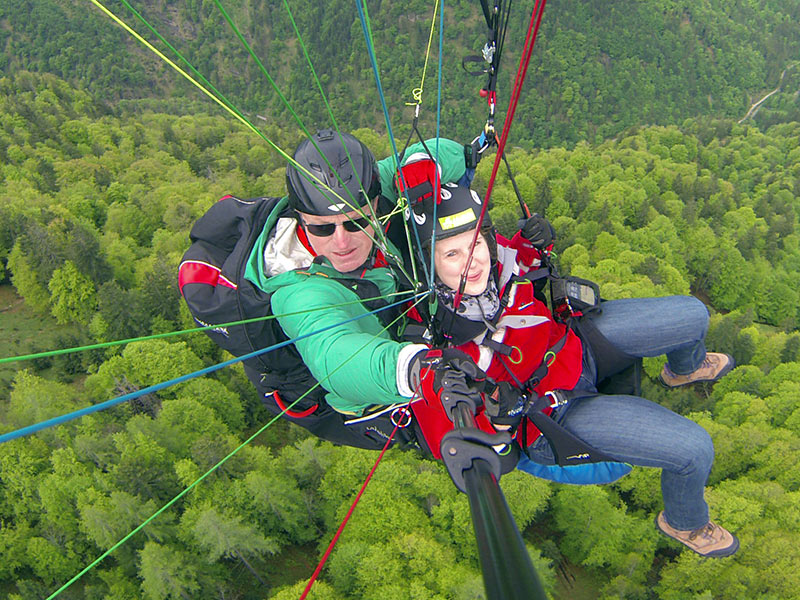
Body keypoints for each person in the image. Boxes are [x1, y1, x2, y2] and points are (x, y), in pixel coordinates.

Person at [405, 180, 739, 558]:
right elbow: (448, 429)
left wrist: (532, 243)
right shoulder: (433, 342)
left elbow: (522, 261)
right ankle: (686, 522)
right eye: (452, 255)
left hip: (571, 346)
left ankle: (685, 368)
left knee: (693, 315)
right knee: (694, 450)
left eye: (476, 244)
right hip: (552, 415)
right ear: (428, 266)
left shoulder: (497, 263)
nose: (473, 261)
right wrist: (498, 422)